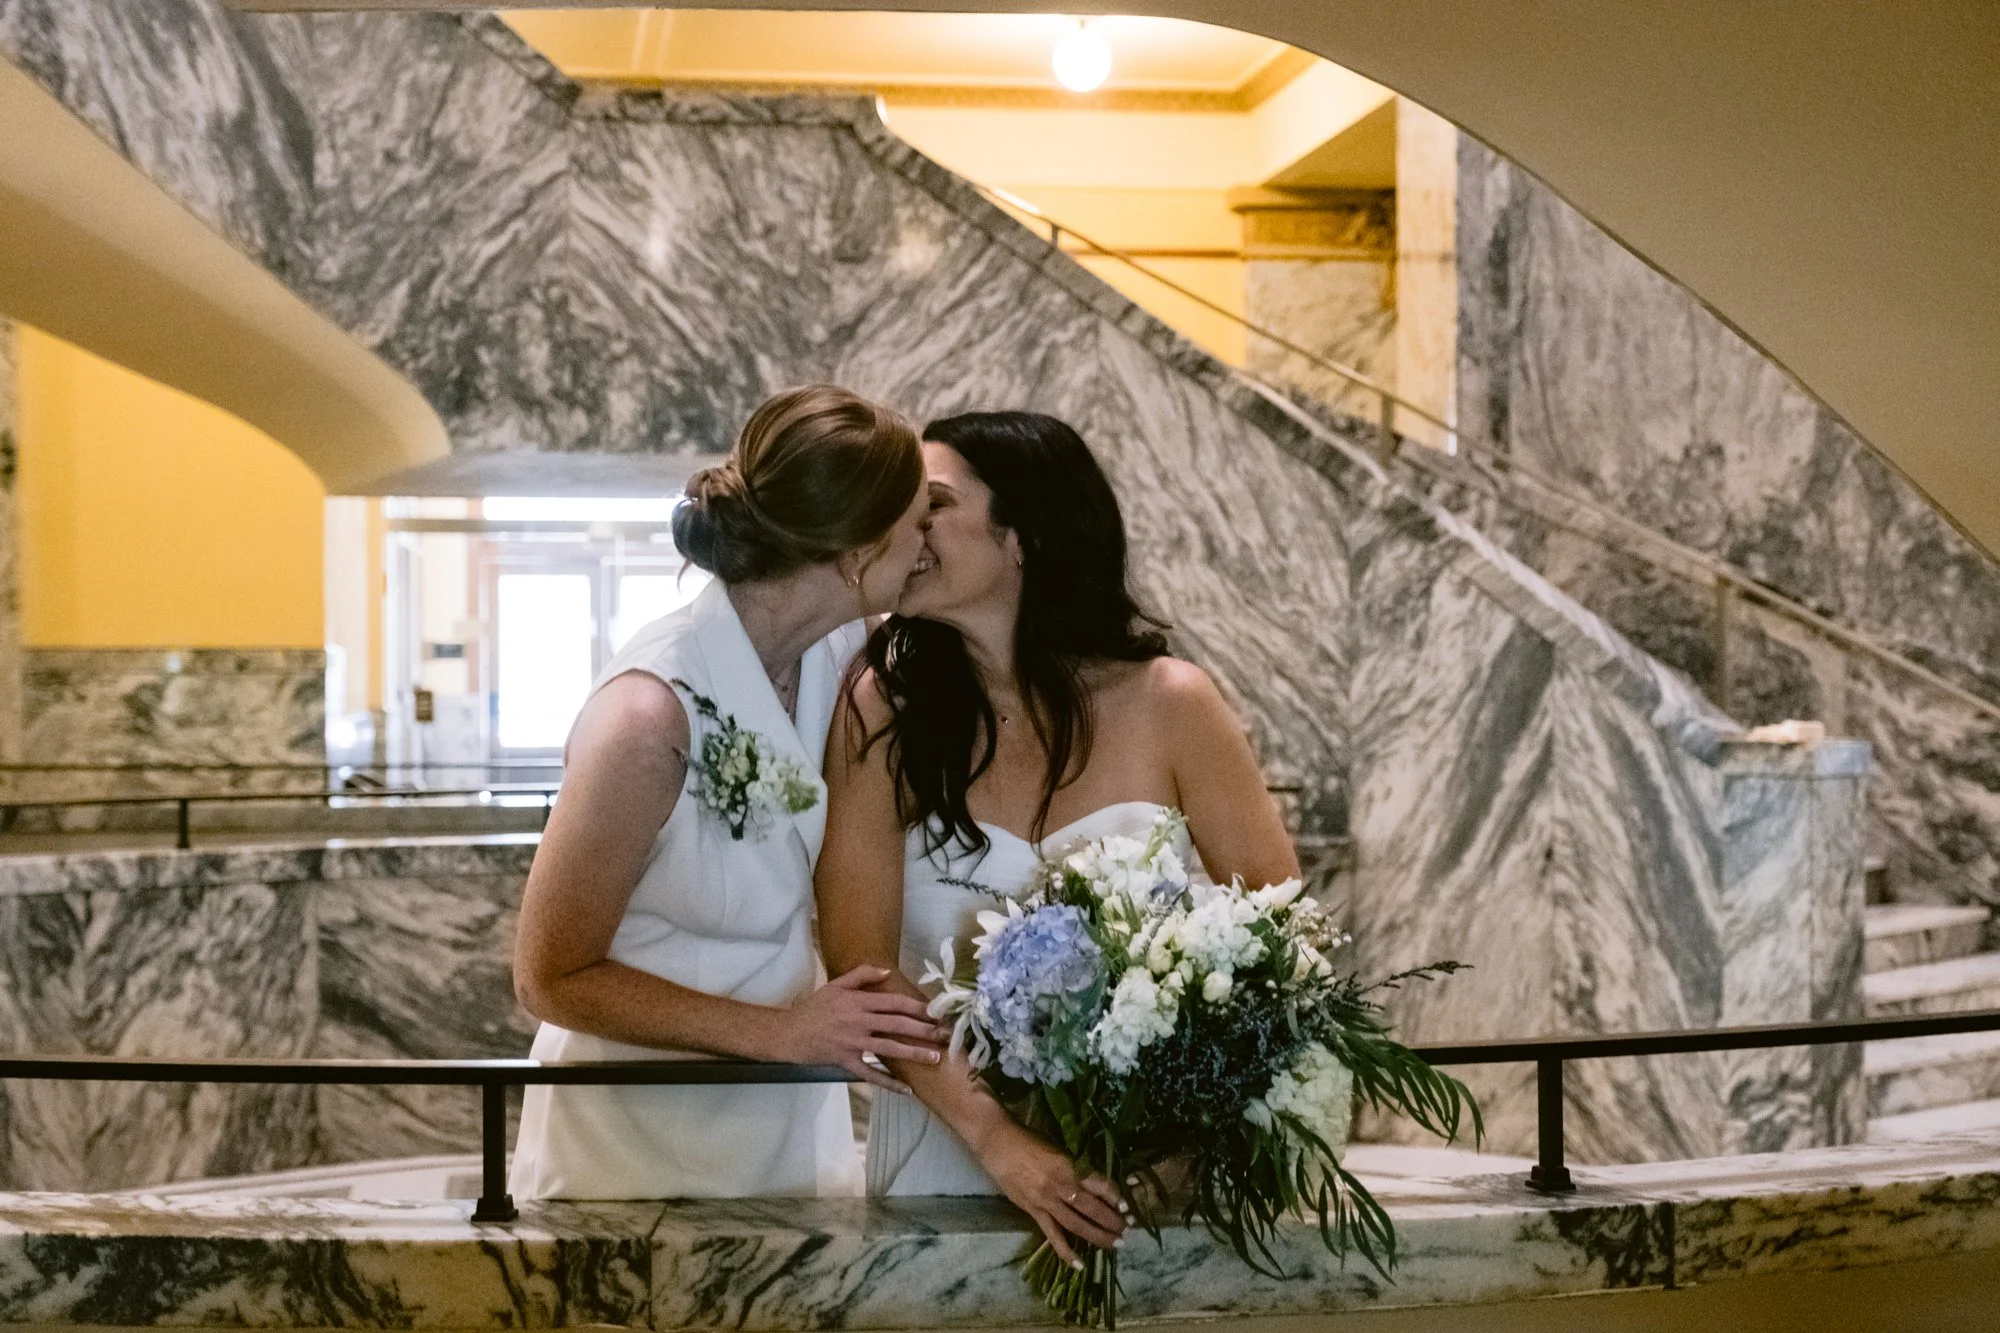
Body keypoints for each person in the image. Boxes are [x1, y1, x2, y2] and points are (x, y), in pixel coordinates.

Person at [816, 411, 1301, 1265]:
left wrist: (1175, 1156)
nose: (905, 531)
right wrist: (1002, 1145)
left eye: (931, 505)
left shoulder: (1173, 704)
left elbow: (1281, 953)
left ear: (1025, 534)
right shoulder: (880, 711)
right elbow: (862, 969)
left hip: (1145, 1173)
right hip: (946, 1153)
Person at [510, 384, 944, 1200]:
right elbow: (546, 975)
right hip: (631, 1135)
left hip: (781, 1119)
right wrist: (783, 1032)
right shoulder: (647, 717)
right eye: (920, 520)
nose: (931, 542)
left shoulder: (838, 644)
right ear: (855, 553)